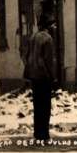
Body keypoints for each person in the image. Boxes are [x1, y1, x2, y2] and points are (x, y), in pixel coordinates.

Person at [23, 13, 57, 141]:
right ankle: (44, 134)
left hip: (34, 76)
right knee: (45, 106)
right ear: (48, 26)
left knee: (37, 106)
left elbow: (27, 57)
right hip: (44, 77)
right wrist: (53, 77)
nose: (55, 27)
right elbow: (49, 61)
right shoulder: (48, 39)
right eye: (53, 24)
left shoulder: (33, 37)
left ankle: (38, 133)